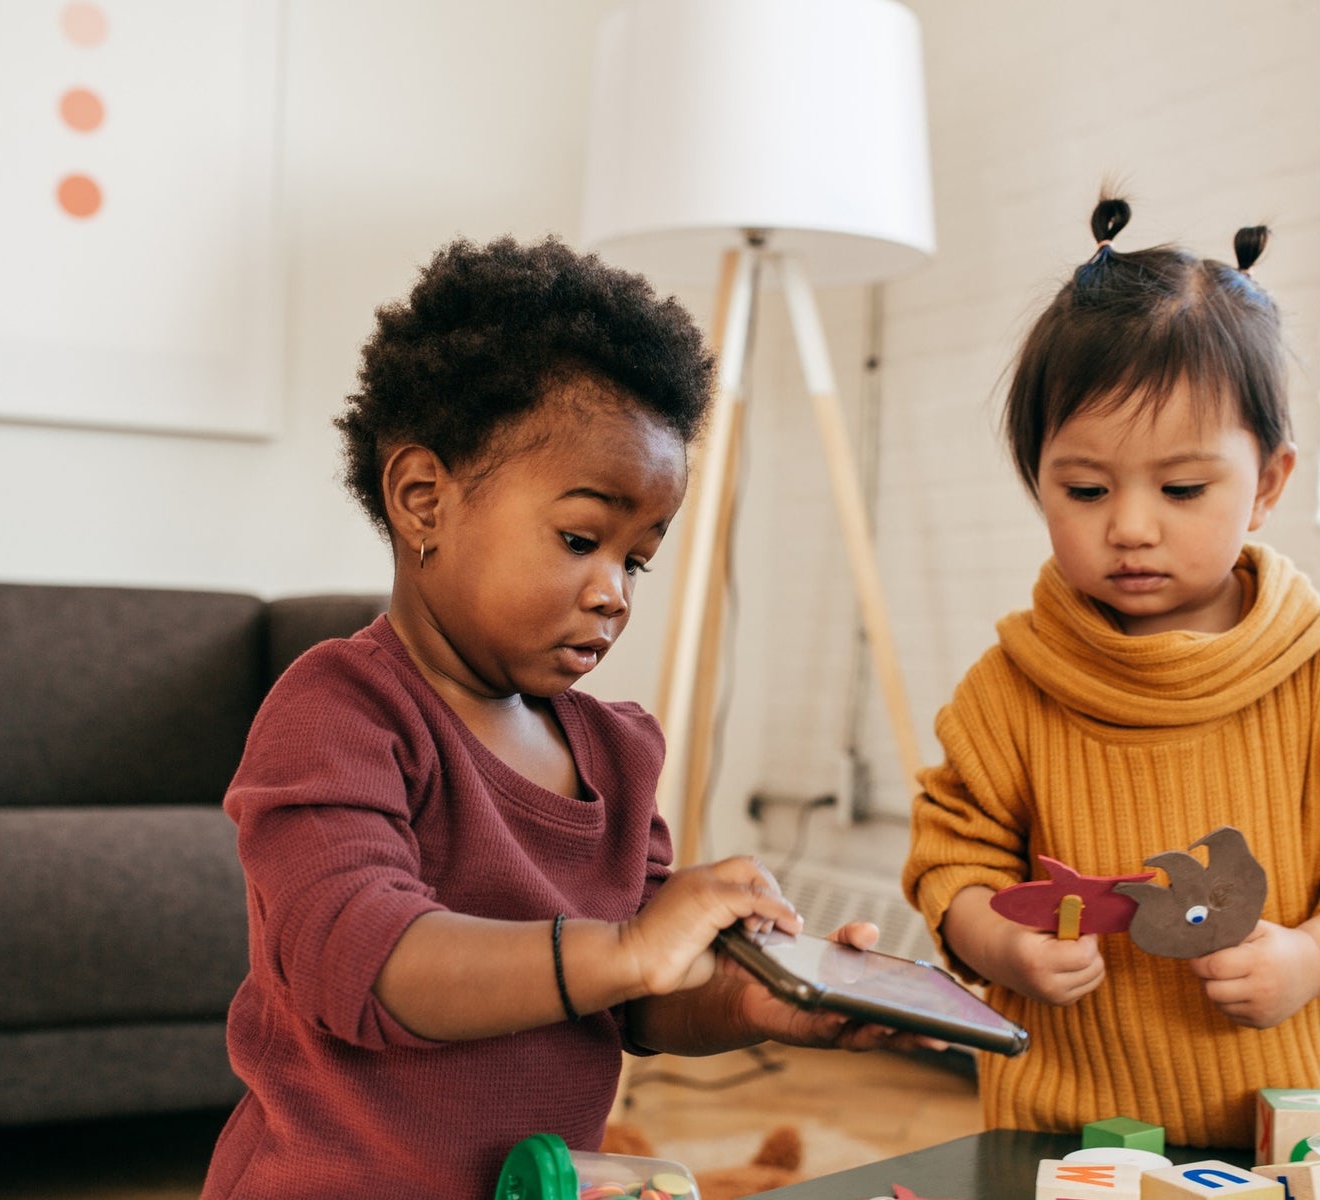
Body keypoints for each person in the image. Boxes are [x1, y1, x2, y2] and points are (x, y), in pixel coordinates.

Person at [203, 236, 906, 1200]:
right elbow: (359, 961)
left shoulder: (618, 751)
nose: (614, 592)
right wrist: (624, 946)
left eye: (638, 559)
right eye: (581, 538)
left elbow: (639, 1006)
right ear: (423, 500)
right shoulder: (341, 710)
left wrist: (764, 1004)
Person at [902, 196, 1320, 1149]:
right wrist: (1005, 946)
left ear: (1268, 485)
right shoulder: (1008, 688)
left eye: (1183, 488)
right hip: (1064, 1131)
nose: (1130, 525)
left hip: (1292, 1129)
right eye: (1084, 489)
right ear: (1037, 480)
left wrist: (1313, 957)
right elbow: (952, 863)